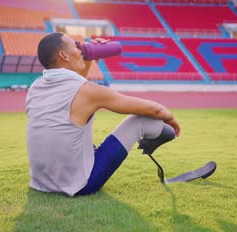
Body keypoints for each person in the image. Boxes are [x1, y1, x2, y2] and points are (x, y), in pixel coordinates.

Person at [26, 32, 181, 196]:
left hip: (41, 183)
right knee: (142, 121)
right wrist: (171, 119)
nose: (81, 49)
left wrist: (88, 58)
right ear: (63, 55)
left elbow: (75, 90)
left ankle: (153, 137)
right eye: (76, 46)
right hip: (80, 185)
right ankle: (157, 137)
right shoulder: (88, 92)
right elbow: (156, 110)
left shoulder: (35, 88)